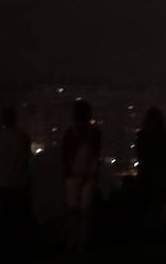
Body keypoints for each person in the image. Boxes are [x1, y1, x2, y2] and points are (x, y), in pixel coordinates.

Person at [0, 107, 32, 251]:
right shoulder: (23, 137)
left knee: (4, 216)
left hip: (2, 183)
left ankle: (4, 247)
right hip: (20, 183)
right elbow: (27, 159)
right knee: (17, 218)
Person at [60, 99, 101, 252]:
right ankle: (83, 242)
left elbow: (64, 155)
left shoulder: (69, 133)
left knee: (73, 210)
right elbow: (97, 153)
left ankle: (72, 241)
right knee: (86, 211)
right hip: (90, 175)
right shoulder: (95, 132)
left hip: (72, 175)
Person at [135, 106, 166, 234]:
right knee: (158, 201)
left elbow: (139, 154)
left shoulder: (142, 135)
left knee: (147, 201)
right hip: (161, 171)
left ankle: (147, 228)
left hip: (146, 171)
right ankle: (157, 228)